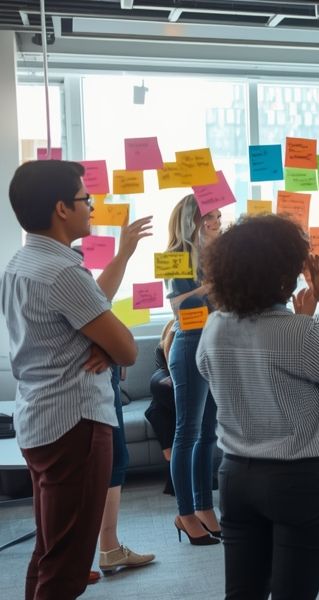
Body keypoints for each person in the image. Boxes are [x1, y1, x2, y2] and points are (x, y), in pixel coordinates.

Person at [196, 214, 319, 600]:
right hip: (296, 480)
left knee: (242, 594)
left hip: (235, 476)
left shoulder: (216, 326)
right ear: (282, 275)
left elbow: (216, 372)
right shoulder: (299, 331)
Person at [0, 160, 138, 600]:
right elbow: (128, 349)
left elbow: (80, 328)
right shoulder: (62, 271)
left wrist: (102, 344)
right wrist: (108, 347)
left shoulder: (22, 262)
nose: (91, 207)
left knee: (48, 553)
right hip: (74, 424)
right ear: (61, 208)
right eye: (85, 199)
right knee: (65, 569)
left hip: (38, 418)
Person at [91, 216, 157, 577]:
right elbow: (96, 308)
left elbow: (105, 318)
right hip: (93, 391)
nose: (89, 209)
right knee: (111, 462)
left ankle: (108, 547)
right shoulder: (64, 275)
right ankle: (105, 548)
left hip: (105, 383)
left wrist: (113, 350)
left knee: (115, 460)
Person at [165, 195, 222, 545]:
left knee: (208, 434)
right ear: (194, 220)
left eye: (219, 216)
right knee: (186, 434)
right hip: (189, 345)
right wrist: (210, 286)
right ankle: (185, 514)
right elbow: (177, 305)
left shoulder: (214, 257)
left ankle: (204, 508)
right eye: (210, 216)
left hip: (214, 345)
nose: (217, 223)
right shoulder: (176, 256)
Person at [145, 319, 177, 495]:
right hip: (167, 388)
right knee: (159, 410)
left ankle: (175, 474)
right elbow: (168, 367)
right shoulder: (171, 330)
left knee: (158, 412)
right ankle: (176, 471)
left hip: (167, 401)